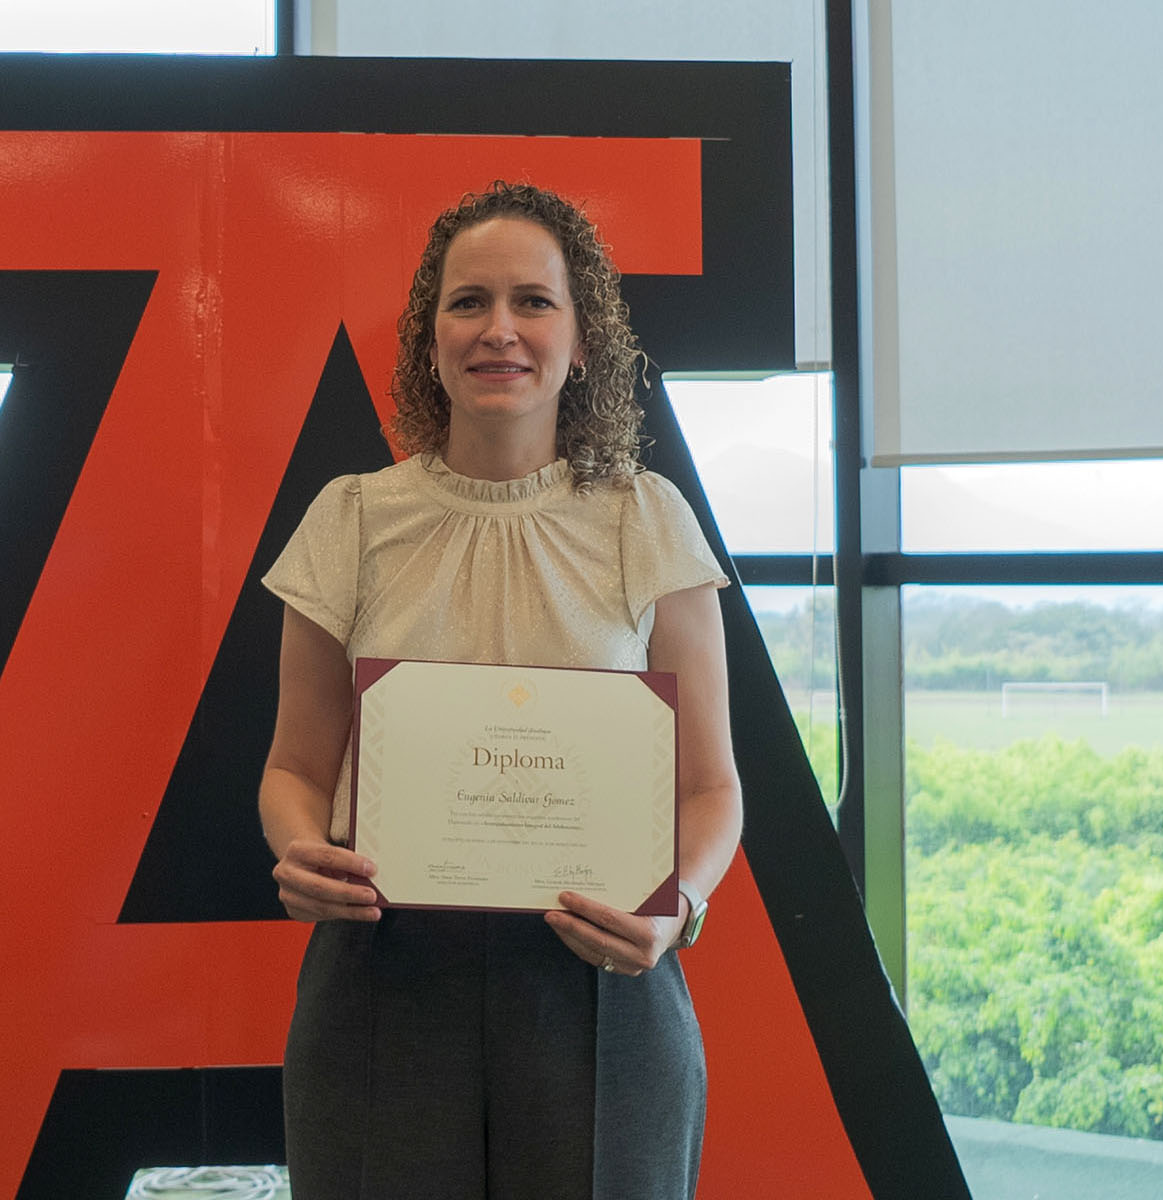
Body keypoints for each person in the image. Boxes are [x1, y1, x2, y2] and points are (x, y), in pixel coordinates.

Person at [256, 181, 743, 1200]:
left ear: (581, 339)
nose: (500, 331)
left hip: (602, 973)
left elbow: (711, 789)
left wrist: (677, 910)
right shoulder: (350, 518)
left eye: (534, 301)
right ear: (429, 338)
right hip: (383, 972)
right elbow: (296, 768)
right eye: (468, 302)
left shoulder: (643, 520)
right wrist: (300, 850)